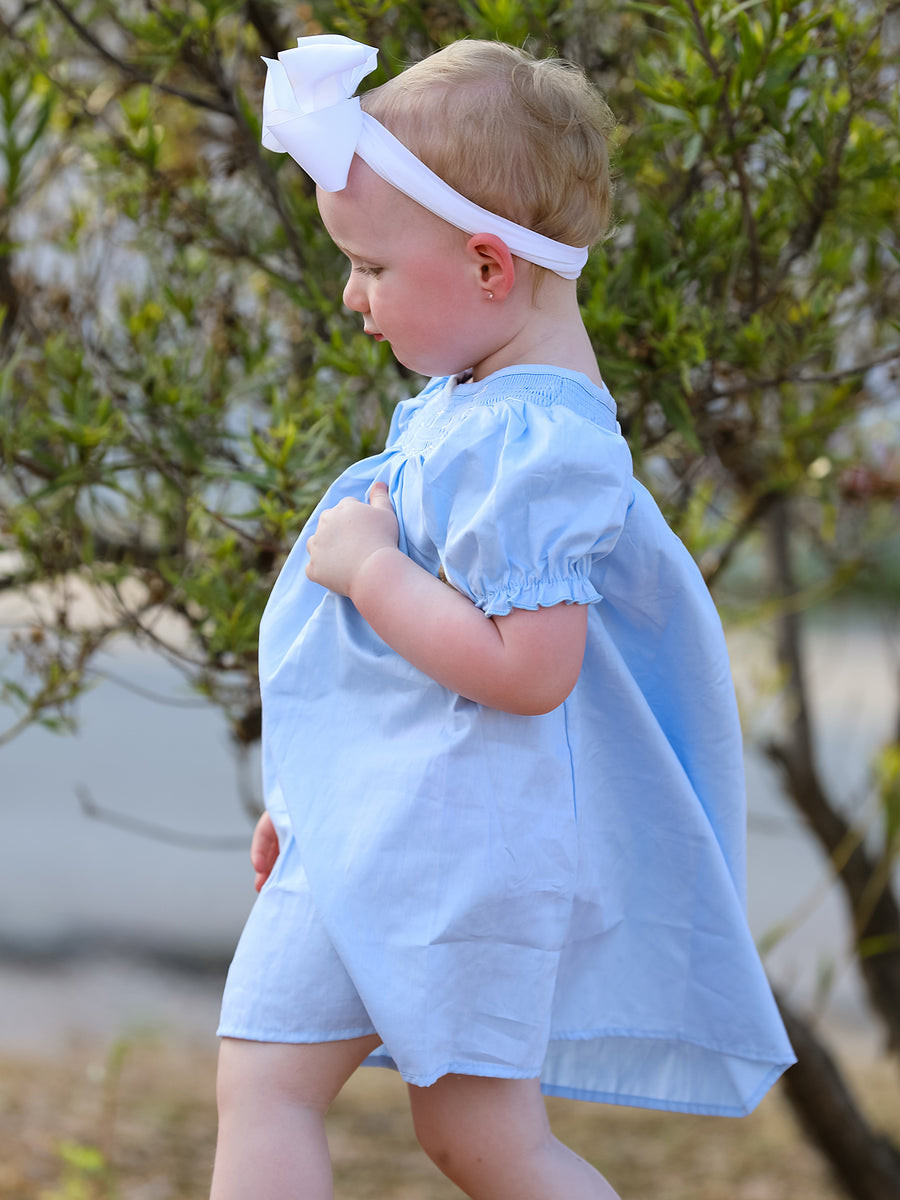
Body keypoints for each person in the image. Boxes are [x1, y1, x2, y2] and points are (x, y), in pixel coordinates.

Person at [210, 34, 795, 1200]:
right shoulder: (474, 405)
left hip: (444, 846)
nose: (352, 294)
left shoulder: (539, 446)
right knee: (470, 1140)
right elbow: (396, 680)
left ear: (487, 268)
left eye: (373, 267)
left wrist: (371, 570)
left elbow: (529, 670)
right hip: (391, 825)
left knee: (279, 1089)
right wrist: (305, 797)